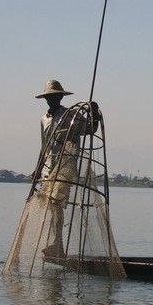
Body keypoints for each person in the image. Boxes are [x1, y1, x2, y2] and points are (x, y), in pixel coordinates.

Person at [33, 80, 102, 258]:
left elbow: (89, 128)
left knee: (56, 204)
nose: (52, 100)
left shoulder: (70, 115)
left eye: (55, 96)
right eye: (49, 97)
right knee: (52, 206)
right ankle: (58, 244)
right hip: (49, 167)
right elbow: (44, 147)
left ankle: (58, 245)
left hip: (65, 166)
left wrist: (94, 114)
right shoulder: (44, 119)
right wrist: (37, 169)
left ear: (61, 97)